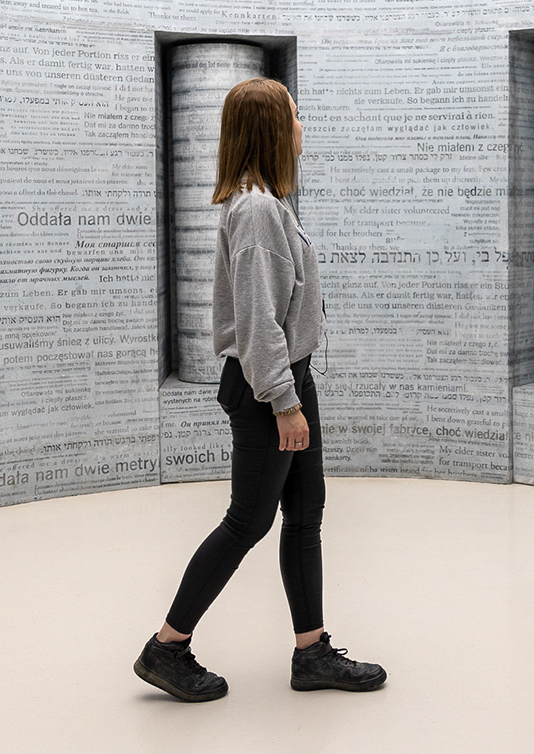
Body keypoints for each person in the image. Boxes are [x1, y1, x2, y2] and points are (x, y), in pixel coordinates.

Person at [135, 77, 387, 702]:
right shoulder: (255, 211)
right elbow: (256, 322)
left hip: (287, 380)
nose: (303, 126)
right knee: (248, 521)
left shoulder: (269, 202)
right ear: (274, 129)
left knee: (304, 514)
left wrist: (292, 389)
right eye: (296, 116)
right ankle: (166, 648)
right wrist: (285, 402)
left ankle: (312, 653)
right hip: (266, 390)